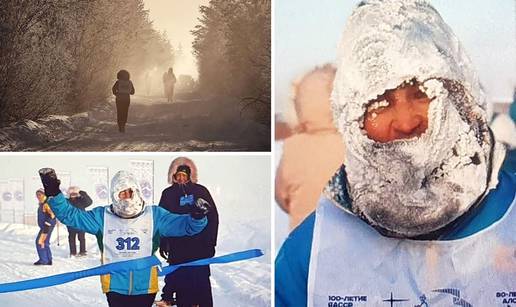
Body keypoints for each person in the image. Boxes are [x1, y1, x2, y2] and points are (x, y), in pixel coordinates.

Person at [275, 1, 516, 306]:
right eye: (380, 103)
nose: (406, 122)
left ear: (459, 95)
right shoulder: (311, 255)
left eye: (422, 93)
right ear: (354, 120)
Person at [38, 168, 211, 307]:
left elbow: (186, 226)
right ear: (114, 194)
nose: (127, 196)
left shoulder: (154, 215)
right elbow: (70, 216)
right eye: (122, 193)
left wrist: (197, 216)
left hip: (145, 287)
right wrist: (53, 192)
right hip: (114, 286)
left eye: (130, 191)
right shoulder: (102, 217)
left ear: (137, 191)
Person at [275, 65, 345, 230]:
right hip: (350, 245)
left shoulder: (294, 147)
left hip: (303, 242)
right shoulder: (357, 146)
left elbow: (282, 196)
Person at [156, 157, 219, 307]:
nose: (181, 178)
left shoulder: (200, 191)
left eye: (184, 175)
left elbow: (213, 217)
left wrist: (211, 242)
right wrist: (163, 242)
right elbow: (161, 219)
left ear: (190, 176)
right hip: (178, 246)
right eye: (178, 175)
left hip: (200, 246)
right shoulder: (168, 194)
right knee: (180, 279)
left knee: (201, 281)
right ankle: (175, 300)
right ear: (173, 176)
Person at [66, 186, 92, 257]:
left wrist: (82, 193)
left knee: (81, 237)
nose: (73, 195)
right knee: (71, 238)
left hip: (81, 222)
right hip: (71, 222)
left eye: (74, 193)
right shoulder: (67, 201)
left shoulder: (81, 200)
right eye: (71, 194)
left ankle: (82, 251)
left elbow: (89, 202)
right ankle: (73, 252)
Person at [34, 188, 56, 265]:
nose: (38, 196)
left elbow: (52, 215)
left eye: (40, 194)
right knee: (45, 242)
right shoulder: (42, 203)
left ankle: (44, 260)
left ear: (44, 195)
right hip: (46, 226)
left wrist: (47, 224)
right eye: (37, 195)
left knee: (40, 242)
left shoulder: (46, 203)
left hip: (47, 226)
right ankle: (48, 259)